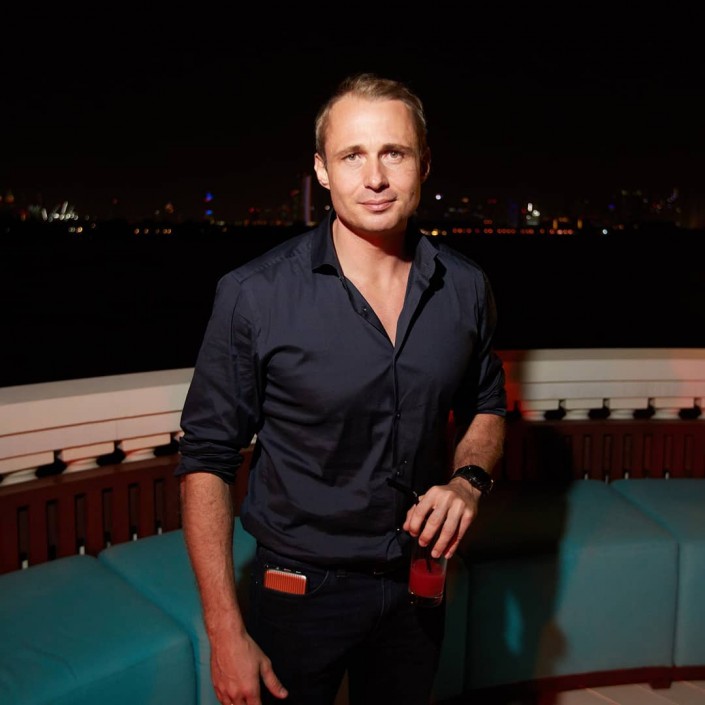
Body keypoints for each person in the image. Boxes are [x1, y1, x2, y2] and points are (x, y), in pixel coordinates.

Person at [175, 72, 507, 705]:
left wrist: (468, 482)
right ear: (322, 171)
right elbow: (206, 460)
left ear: (423, 165)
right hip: (297, 590)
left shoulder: (465, 287)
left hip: (418, 578)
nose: (374, 177)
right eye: (352, 155)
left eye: (394, 153)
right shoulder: (254, 295)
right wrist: (224, 632)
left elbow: (487, 406)